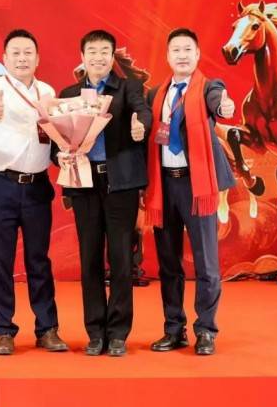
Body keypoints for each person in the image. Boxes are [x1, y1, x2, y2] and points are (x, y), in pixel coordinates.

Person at [0, 29, 68, 355]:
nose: (22, 58)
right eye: (15, 53)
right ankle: (4, 331)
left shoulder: (47, 91)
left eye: (28, 53)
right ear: (4, 58)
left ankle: (47, 328)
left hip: (38, 185)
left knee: (39, 260)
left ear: (37, 58)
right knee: (0, 260)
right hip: (1, 184)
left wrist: (64, 154)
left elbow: (54, 135)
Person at [56, 29, 151, 357]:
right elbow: (58, 138)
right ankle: (95, 332)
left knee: (122, 258)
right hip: (84, 185)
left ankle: (119, 332)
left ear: (112, 57)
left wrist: (140, 125)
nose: (98, 57)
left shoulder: (128, 89)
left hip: (120, 184)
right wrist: (59, 154)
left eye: (104, 52)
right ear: (82, 57)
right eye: (92, 51)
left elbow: (143, 112)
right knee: (90, 258)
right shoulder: (69, 95)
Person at [144, 27, 236, 356]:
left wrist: (224, 107)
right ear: (167, 56)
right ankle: (174, 330)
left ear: (197, 55)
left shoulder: (209, 88)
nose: (182, 55)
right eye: (176, 50)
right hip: (164, 186)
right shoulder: (156, 95)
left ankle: (206, 330)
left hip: (197, 185)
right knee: (168, 264)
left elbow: (219, 103)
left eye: (188, 50)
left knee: (206, 263)